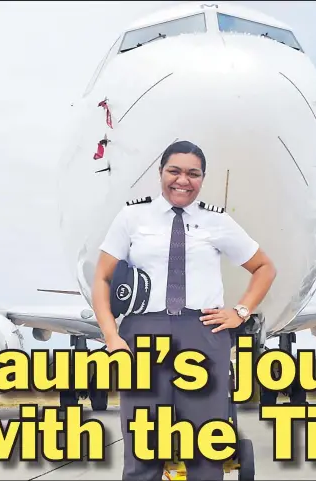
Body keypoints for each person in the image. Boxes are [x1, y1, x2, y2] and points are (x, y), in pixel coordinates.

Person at [91, 140, 277, 480]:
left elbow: (264, 267)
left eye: (193, 174)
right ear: (160, 173)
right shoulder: (132, 217)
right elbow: (101, 278)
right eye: (174, 171)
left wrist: (240, 311)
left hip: (202, 333)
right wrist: (111, 336)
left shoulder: (216, 221)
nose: (183, 180)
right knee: (144, 447)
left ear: (202, 178)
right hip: (142, 335)